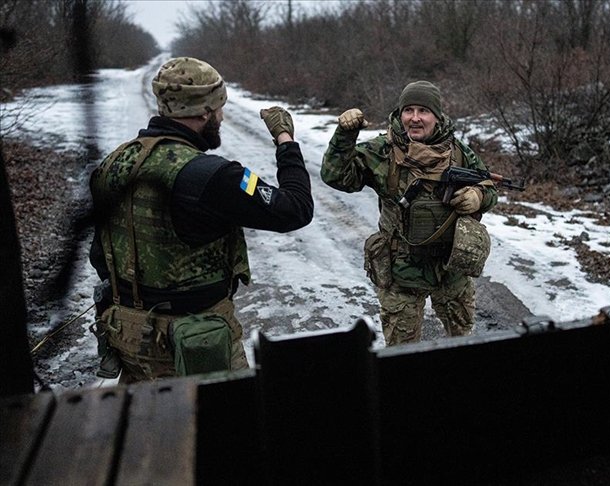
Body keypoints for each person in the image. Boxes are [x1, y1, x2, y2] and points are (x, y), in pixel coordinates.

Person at [88, 57, 313, 382]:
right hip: (197, 344)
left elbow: (101, 255)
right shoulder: (214, 175)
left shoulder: (113, 163)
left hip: (131, 341)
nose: (222, 116)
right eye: (220, 107)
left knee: (149, 415)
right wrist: (285, 140)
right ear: (205, 111)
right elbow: (295, 209)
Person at [321, 81, 498, 345]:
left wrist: (478, 197)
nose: (415, 118)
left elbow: (488, 187)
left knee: (463, 344)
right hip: (401, 273)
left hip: (450, 270)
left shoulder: (457, 151)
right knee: (401, 354)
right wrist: (344, 136)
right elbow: (335, 176)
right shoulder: (383, 151)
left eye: (423, 111)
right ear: (400, 114)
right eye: (408, 110)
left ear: (437, 116)